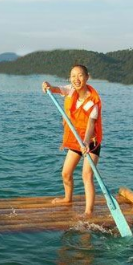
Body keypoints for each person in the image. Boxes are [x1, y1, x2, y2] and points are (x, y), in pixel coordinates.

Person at [42, 65, 102, 217]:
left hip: (91, 142)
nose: (77, 79)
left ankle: (88, 211)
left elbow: (90, 125)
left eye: (80, 75)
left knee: (86, 175)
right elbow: (58, 89)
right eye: (73, 76)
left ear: (87, 77)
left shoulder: (93, 100)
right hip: (75, 139)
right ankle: (67, 198)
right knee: (66, 173)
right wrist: (49, 86)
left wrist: (87, 142)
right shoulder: (71, 90)